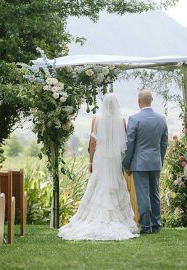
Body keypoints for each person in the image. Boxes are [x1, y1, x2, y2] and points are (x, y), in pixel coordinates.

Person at [58, 93, 139, 240]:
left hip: (101, 157)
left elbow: (93, 143)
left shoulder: (96, 120)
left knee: (98, 184)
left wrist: (90, 162)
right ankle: (119, 220)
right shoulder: (121, 121)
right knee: (114, 184)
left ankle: (92, 218)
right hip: (114, 159)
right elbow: (124, 144)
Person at [123, 89, 168, 234]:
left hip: (139, 163)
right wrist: (159, 159)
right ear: (151, 100)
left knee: (143, 195)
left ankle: (146, 226)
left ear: (138, 101)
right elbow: (164, 143)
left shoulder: (134, 119)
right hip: (155, 162)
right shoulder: (162, 119)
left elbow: (129, 143)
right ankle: (156, 224)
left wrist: (126, 163)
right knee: (154, 194)